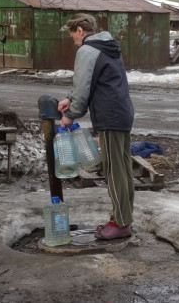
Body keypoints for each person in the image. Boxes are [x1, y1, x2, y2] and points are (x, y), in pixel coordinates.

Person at [57, 13, 135, 240]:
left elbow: (83, 86)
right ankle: (123, 218)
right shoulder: (107, 45)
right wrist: (69, 98)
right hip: (121, 113)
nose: (75, 42)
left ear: (80, 31)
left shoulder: (87, 50)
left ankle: (120, 223)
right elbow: (92, 81)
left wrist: (70, 114)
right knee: (123, 169)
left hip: (110, 116)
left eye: (73, 37)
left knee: (114, 171)